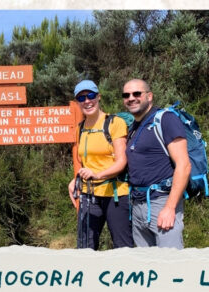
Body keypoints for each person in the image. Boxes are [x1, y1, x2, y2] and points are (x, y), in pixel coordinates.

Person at [121, 79, 191, 249]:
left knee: (171, 265)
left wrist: (170, 207)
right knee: (148, 268)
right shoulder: (133, 128)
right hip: (137, 205)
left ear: (149, 96)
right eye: (126, 95)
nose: (131, 98)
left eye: (137, 93)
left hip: (162, 202)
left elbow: (184, 165)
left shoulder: (166, 119)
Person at [67, 80, 133, 250]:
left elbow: (122, 161)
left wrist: (98, 175)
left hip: (115, 193)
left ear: (98, 97)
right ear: (77, 103)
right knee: (85, 248)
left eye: (91, 96)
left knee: (122, 248)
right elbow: (83, 162)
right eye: (81, 98)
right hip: (89, 195)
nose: (87, 101)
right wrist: (74, 180)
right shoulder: (79, 128)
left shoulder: (114, 123)